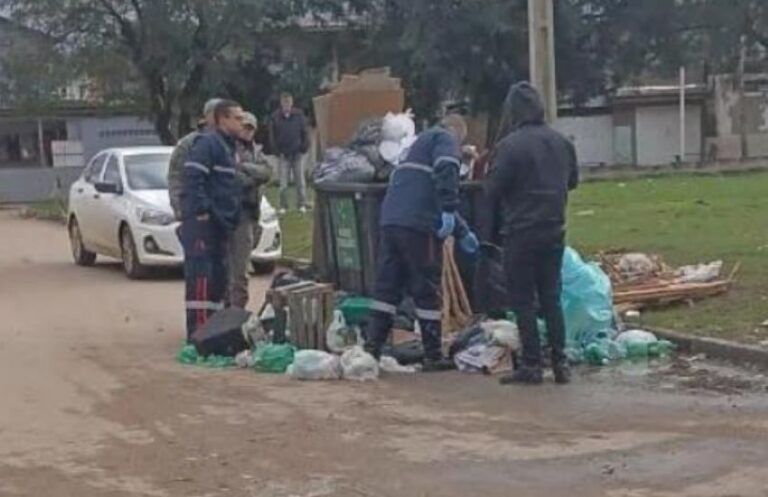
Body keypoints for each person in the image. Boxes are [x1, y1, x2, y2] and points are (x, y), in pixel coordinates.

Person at [364, 114, 480, 372]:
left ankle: (372, 348)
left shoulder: (413, 150)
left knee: (387, 288)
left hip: (391, 222)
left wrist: (461, 231)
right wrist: (451, 210)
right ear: (457, 133)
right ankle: (433, 354)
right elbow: (447, 169)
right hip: (418, 227)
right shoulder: (444, 138)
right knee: (426, 288)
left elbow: (430, 192)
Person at [485, 82, 579, 385]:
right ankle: (561, 362)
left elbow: (492, 190)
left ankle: (532, 365)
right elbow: (573, 181)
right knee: (551, 296)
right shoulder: (562, 143)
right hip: (554, 229)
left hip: (521, 232)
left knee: (523, 299)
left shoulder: (509, 146)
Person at [180, 100, 245, 340]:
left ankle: (213, 334)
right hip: (203, 226)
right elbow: (193, 178)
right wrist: (202, 211)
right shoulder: (208, 144)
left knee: (218, 279)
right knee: (201, 279)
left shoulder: (229, 148)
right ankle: (197, 333)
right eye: (237, 118)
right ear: (223, 119)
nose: (242, 123)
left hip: (221, 225)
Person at [227, 112, 272, 309]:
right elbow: (236, 179)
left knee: (242, 270)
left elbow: (268, 172)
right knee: (234, 270)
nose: (247, 131)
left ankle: (238, 311)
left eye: (250, 128)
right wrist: (252, 176)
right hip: (233, 214)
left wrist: (245, 167)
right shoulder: (228, 148)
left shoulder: (255, 152)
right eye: (244, 127)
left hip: (250, 216)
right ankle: (230, 312)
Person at [168, 98, 223, 220]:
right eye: (218, 113)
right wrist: (179, 208)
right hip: (198, 213)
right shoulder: (189, 143)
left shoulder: (231, 142)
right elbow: (176, 176)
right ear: (208, 115)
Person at [269, 92, 310, 214]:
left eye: (288, 102)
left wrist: (304, 147)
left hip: (297, 153)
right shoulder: (275, 117)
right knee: (283, 183)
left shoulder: (299, 115)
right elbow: (272, 135)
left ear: (292, 103)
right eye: (284, 102)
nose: (287, 104)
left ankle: (302, 204)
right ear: (281, 103)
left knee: (300, 181)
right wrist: (276, 151)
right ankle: (283, 206)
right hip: (283, 154)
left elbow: (305, 132)